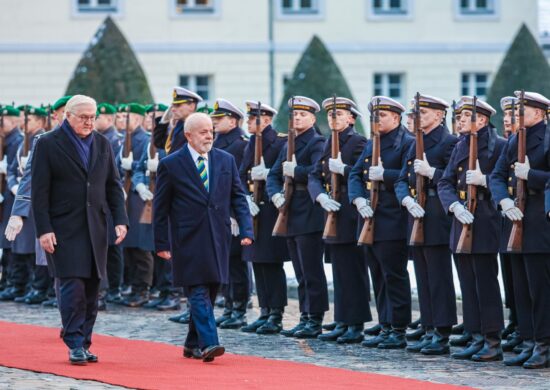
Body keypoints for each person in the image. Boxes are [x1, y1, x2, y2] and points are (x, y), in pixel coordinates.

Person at [31, 95, 128, 365]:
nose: (89, 122)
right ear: (68, 116)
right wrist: (44, 229)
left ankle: (84, 341)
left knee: (91, 289)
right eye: (83, 117)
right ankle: (73, 341)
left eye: (92, 117)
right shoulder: (48, 143)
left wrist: (120, 220)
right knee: (72, 286)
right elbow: (40, 191)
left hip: (96, 227)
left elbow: (112, 185)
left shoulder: (102, 143)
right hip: (63, 228)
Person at [154, 112, 253, 362]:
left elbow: (238, 197)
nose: (209, 135)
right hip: (187, 238)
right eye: (203, 132)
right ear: (188, 135)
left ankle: (191, 343)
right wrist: (161, 243)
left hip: (218, 236)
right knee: (197, 289)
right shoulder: (171, 164)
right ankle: (210, 342)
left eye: (211, 131)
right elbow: (160, 208)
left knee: (210, 289)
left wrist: (246, 228)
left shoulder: (225, 160)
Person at [438, 96, 506, 362]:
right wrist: (454, 206)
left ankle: (492, 340)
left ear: (483, 120)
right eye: (460, 117)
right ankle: (476, 335)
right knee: (467, 282)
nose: (461, 121)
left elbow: (505, 180)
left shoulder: (498, 145)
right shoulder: (460, 145)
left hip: (486, 222)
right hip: (461, 220)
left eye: (467, 117)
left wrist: (485, 180)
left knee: (486, 283)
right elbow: (445, 182)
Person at [490, 91, 550, 369]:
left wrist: (532, 176)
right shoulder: (514, 139)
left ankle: (544, 343)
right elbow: (497, 175)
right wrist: (502, 200)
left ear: (538, 113)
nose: (516, 116)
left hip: (539, 222)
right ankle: (527, 340)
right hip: (514, 219)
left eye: (522, 111)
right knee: (521, 288)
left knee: (540, 288)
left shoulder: (547, 138)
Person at [348, 96, 414, 349]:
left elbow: (408, 176)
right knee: (377, 273)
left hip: (392, 218)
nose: (377, 120)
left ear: (396, 118)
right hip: (368, 216)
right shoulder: (372, 142)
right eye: (375, 116)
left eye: (382, 116)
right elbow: (355, 174)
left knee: (393, 274)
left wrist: (385, 175)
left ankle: (398, 327)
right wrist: (358, 200)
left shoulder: (405, 142)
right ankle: (385, 323)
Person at [395, 94, 458, 355]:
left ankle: (442, 332)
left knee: (439, 277)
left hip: (436, 214)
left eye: (423, 112)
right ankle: (429, 327)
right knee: (423, 276)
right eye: (416, 113)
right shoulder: (415, 143)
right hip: (416, 212)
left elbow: (455, 180)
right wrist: (406, 200)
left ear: (439, 115)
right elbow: (401, 179)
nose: (417, 117)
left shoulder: (448, 142)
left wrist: (433, 173)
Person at [308, 97, 369, 344]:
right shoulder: (328, 143)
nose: (333, 118)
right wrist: (319, 196)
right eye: (331, 114)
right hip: (331, 212)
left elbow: (362, 175)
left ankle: (356, 323)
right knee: (340, 272)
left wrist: (343, 169)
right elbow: (314, 175)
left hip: (350, 214)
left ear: (351, 118)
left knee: (353, 271)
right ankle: (343, 319)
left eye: (339, 114)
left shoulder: (357, 142)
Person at [266, 96, 327, 338]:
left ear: (313, 118)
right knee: (301, 271)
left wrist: (297, 172)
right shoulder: (287, 144)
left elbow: (317, 172)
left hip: (309, 212)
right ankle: (305, 315)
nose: (298, 118)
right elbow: (273, 175)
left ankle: (315, 318)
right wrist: (275, 196)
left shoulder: (317, 142)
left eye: (303, 115)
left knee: (311, 270)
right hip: (289, 210)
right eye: (295, 115)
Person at [239, 100, 289, 334]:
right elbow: (240, 175)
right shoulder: (251, 142)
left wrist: (268, 173)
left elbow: (283, 173)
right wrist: (245, 199)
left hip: (270, 209)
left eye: (253, 119)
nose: (248, 122)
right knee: (257, 261)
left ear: (266, 120)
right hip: (253, 208)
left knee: (271, 262)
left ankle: (276, 313)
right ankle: (264, 310)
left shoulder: (280, 141)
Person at [209, 98, 250, 329]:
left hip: (232, 211)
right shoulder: (217, 142)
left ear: (233, 121)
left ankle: (239, 308)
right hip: (219, 211)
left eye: (219, 119)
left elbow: (239, 182)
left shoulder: (240, 144)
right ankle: (229, 305)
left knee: (237, 262)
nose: (215, 123)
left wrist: (236, 213)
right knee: (224, 260)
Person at [118, 103, 155, 307]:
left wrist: (131, 166)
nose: (123, 120)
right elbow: (116, 165)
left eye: (128, 117)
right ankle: (133, 286)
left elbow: (141, 166)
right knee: (129, 245)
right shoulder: (125, 138)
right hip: (127, 196)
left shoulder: (145, 139)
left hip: (141, 198)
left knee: (141, 245)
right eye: (122, 117)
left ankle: (143, 289)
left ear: (140, 119)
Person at [0, 106, 23, 297]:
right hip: (6, 196)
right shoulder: (6, 139)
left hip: (13, 196)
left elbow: (16, 170)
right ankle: (7, 279)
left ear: (15, 121)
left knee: (11, 239)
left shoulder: (17, 140)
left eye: (4, 120)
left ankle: (14, 281)